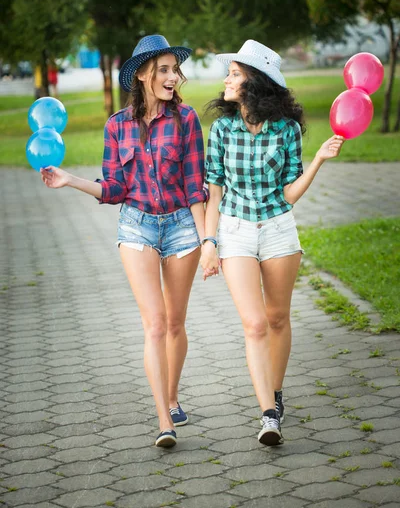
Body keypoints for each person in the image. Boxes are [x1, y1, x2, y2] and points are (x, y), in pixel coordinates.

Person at [40, 34, 207, 448]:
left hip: (183, 226)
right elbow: (115, 187)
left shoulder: (186, 120)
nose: (173, 77)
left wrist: (209, 242)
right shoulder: (117, 125)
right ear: (145, 75)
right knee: (153, 324)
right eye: (164, 69)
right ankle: (164, 420)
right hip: (137, 227)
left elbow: (195, 187)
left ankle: (172, 394)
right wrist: (70, 180)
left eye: (175, 69)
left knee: (174, 322)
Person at [200, 39, 344, 446]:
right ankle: (267, 415)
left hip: (279, 228)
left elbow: (289, 194)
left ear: (254, 82)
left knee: (278, 318)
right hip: (236, 230)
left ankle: (276, 394)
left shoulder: (286, 129)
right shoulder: (223, 128)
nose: (226, 80)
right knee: (255, 322)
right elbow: (213, 192)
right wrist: (209, 242)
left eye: (234, 73)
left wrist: (317, 160)